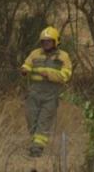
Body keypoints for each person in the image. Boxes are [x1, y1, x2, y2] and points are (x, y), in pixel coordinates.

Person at [19, 26, 73, 158]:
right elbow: (26, 64)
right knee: (32, 120)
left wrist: (48, 74)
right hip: (33, 94)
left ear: (55, 41)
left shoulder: (63, 56)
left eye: (48, 41)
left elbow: (66, 75)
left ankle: (37, 149)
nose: (45, 44)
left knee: (43, 122)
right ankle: (35, 143)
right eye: (43, 41)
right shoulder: (35, 53)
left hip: (51, 96)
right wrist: (24, 69)